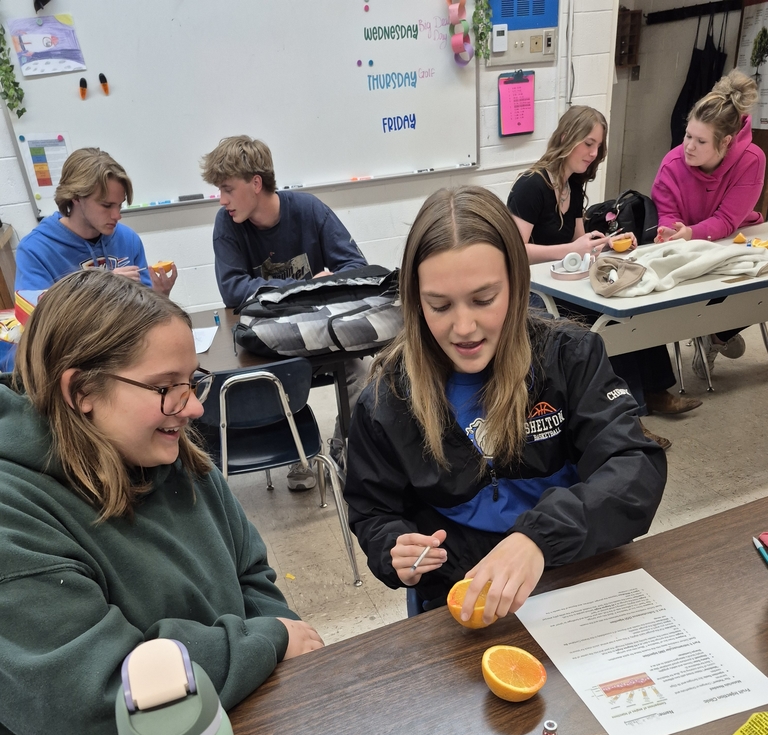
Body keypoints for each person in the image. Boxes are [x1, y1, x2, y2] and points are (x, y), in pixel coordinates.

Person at [0, 270, 323, 735]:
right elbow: (96, 698)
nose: (193, 407)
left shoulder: (173, 457)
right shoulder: (15, 509)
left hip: (228, 725)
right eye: (165, 387)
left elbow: (251, 575)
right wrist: (268, 642)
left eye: (191, 382)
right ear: (81, 391)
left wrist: (273, 641)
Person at [344, 186, 667, 622]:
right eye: (439, 306)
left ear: (516, 285)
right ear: (416, 303)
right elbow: (372, 510)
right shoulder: (385, 402)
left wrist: (538, 538)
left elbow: (634, 467)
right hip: (461, 599)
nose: (464, 327)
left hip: (574, 570)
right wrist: (393, 546)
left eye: (483, 299)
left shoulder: (570, 358)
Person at [507, 106, 701, 451]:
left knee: (632, 303)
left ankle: (655, 389)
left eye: (598, 146)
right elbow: (515, 250)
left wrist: (600, 245)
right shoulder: (531, 186)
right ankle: (632, 414)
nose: (594, 154)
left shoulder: (572, 183)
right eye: (588, 144)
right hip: (533, 290)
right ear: (566, 138)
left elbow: (579, 242)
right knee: (611, 319)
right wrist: (573, 247)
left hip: (563, 279)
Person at [200, 135, 369, 490]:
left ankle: (341, 448)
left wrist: (332, 279)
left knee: (361, 375)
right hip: (266, 344)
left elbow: (355, 266)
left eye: (228, 188)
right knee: (278, 381)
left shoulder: (308, 210)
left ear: (256, 183)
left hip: (315, 336)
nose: (222, 199)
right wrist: (301, 288)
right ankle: (297, 455)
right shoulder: (227, 224)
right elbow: (232, 288)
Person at [4, 148, 178, 372]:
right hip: (70, 366)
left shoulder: (127, 239)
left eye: (119, 205)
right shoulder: (36, 249)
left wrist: (160, 295)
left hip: (122, 357)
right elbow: (38, 324)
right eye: (106, 206)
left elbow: (143, 318)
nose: (117, 216)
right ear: (75, 197)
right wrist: (102, 287)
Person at [652, 69, 765, 380]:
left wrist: (690, 232)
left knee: (753, 285)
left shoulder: (752, 159)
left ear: (725, 141)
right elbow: (668, 217)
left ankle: (716, 334)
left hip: (736, 238)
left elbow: (728, 220)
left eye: (700, 141)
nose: (688, 146)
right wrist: (671, 231)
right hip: (692, 245)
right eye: (688, 135)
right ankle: (713, 330)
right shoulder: (672, 165)